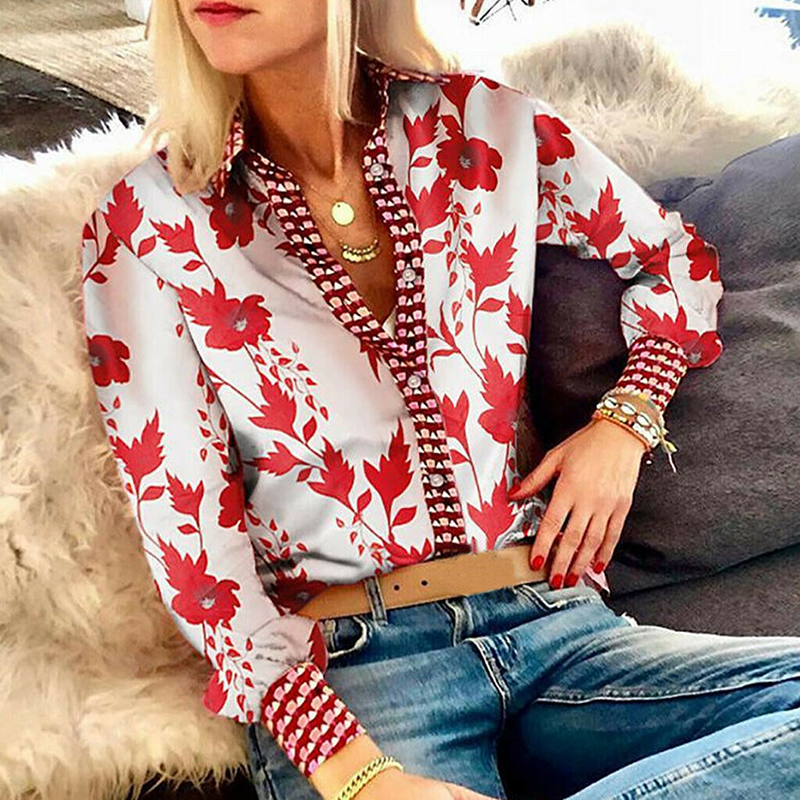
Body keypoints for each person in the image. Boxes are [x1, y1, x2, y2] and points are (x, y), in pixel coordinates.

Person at [78, 1, 800, 799]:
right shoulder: (148, 221)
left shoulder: (488, 127)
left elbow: (673, 260)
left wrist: (624, 424)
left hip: (555, 621)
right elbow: (188, 536)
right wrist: (357, 774)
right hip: (355, 675)